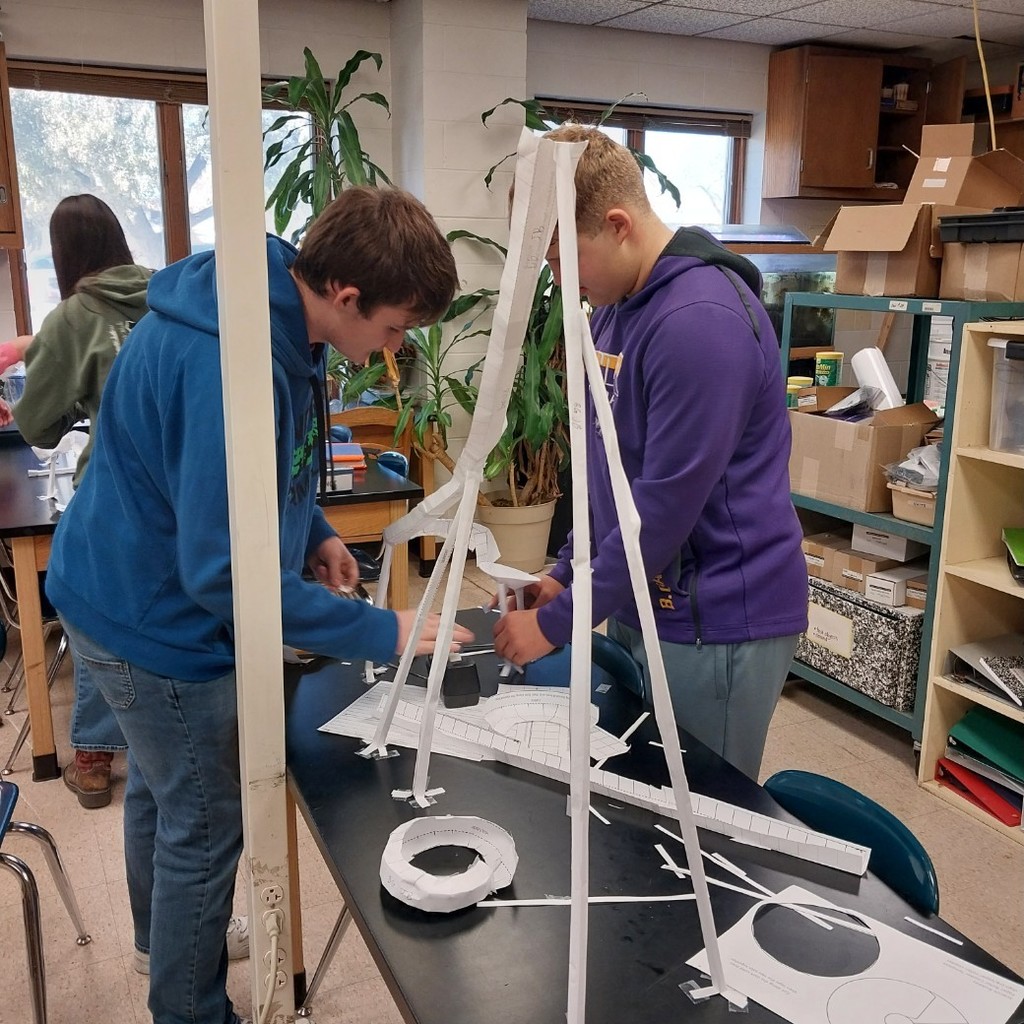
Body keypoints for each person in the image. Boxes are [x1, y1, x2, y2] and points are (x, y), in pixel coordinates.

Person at [45, 185, 472, 1024]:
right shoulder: (227, 361)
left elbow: (258, 472)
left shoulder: (276, 304)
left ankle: (155, 941)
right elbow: (224, 576)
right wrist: (388, 629)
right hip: (155, 626)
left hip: (116, 590)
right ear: (346, 295)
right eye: (391, 328)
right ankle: (190, 1008)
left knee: (162, 798)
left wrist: (309, 524)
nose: (391, 350)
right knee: (204, 829)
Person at [492, 125, 808, 780]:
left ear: (616, 224)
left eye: (561, 260)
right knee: (641, 793)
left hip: (717, 618)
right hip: (644, 595)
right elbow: (612, 475)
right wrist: (569, 570)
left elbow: (661, 510)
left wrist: (558, 623)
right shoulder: (615, 307)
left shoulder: (700, 323)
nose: (561, 280)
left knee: (700, 816)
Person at [8, 195, 153, 810]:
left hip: (118, 490)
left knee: (85, 600)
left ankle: (92, 757)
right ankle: (143, 741)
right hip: (190, 492)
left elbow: (37, 424)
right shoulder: (171, 293)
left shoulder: (74, 316)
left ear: (64, 255)